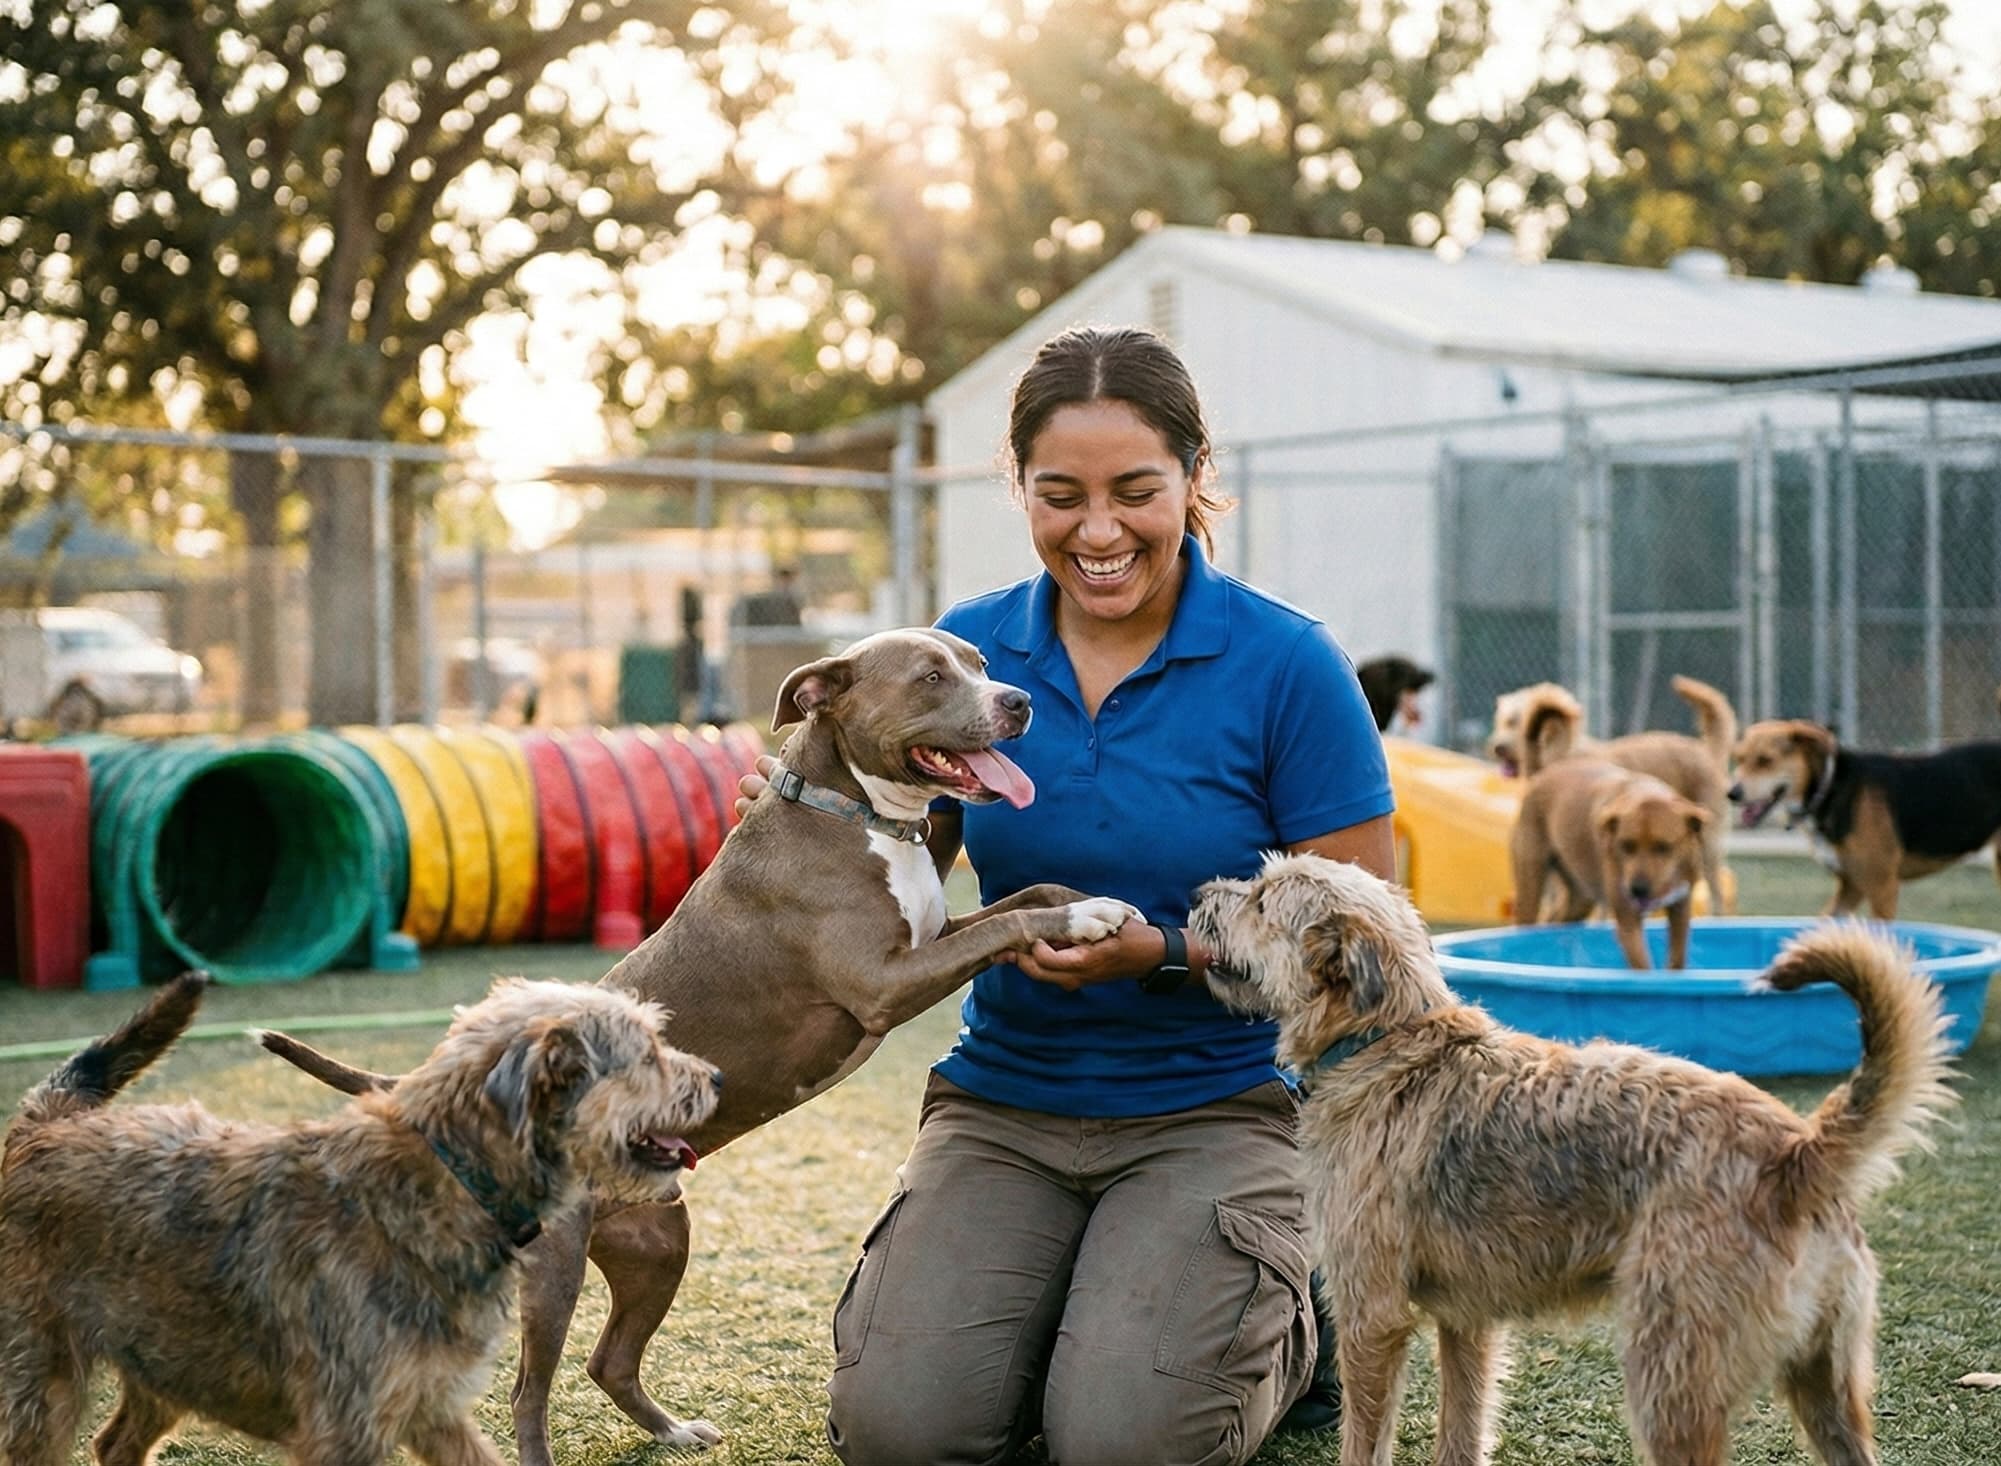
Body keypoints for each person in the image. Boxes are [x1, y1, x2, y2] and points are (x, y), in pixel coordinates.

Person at [749, 326, 1395, 1466]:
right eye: (1061, 496)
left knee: (1124, 1444)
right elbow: (894, 860)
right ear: (1023, 491)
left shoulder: (1286, 663)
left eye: (1136, 491)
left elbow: (1364, 947)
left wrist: (1162, 952)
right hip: (1005, 1100)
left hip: (1216, 1107)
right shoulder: (965, 656)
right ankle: (1088, 1312)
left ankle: (1296, 1323)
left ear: (1195, 477)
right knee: (903, 1434)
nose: (1097, 532)